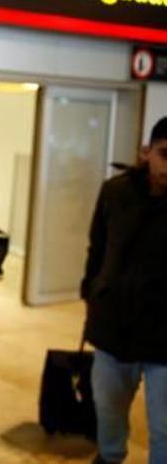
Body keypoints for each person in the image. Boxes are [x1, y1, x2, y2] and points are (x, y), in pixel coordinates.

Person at [81, 118, 167, 464]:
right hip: (113, 329)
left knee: (164, 429)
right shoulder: (115, 192)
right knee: (109, 414)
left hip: (164, 338)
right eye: (165, 154)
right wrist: (93, 293)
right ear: (147, 153)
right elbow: (96, 249)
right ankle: (111, 457)